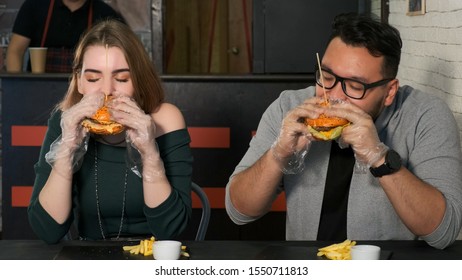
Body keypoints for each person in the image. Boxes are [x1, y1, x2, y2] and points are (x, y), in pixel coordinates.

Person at [225, 13, 462, 250]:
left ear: (389, 92)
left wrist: (379, 156)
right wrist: (279, 154)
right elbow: (240, 211)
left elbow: (443, 232)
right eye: (326, 77)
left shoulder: (424, 115)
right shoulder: (290, 108)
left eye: (354, 86)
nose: (334, 97)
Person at [28, 19, 193, 244]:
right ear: (79, 82)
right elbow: (47, 231)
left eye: (122, 78)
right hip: (89, 259)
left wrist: (149, 154)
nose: (107, 91)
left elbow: (171, 231)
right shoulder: (65, 121)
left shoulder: (166, 119)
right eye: (94, 78)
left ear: (138, 80)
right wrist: (67, 148)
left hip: (151, 256)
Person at [6, 0, 124, 73]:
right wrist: (17, 87)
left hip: (86, 94)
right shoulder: (34, 6)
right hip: (38, 90)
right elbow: (15, 51)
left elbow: (121, 58)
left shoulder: (106, 14)